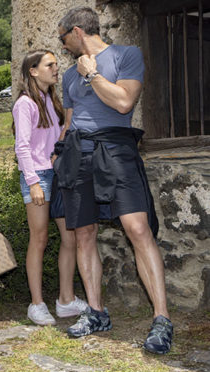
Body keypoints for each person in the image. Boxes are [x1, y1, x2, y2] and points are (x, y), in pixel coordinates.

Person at [56, 7, 172, 354]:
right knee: (83, 233)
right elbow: (69, 121)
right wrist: (58, 156)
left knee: (137, 229)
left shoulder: (126, 55)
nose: (63, 46)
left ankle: (162, 319)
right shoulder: (68, 75)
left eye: (64, 39)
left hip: (116, 149)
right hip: (78, 154)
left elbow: (124, 102)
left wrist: (92, 74)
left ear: (77, 32)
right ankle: (96, 312)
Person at [13, 50, 88, 326]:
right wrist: (33, 182)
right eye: (49, 65)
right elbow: (22, 146)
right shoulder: (24, 103)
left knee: (70, 238)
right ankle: (36, 304)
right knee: (40, 239)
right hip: (38, 176)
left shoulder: (52, 100)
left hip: (58, 174)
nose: (56, 69)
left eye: (56, 64)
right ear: (33, 71)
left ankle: (66, 301)